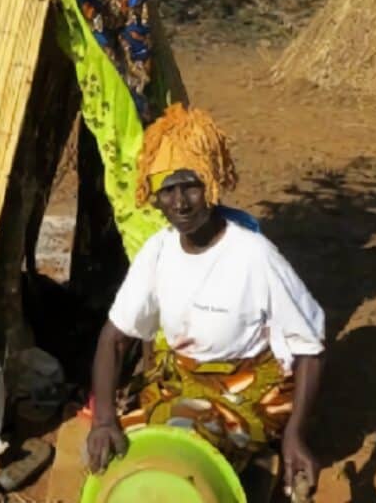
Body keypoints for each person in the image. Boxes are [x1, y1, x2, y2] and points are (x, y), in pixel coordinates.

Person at [87, 104, 325, 499]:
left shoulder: (253, 255)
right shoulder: (158, 251)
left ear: (212, 185)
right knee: (119, 450)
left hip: (245, 387)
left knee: (183, 438)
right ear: (155, 197)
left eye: (191, 186)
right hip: (179, 380)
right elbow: (114, 338)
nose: (181, 203)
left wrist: (296, 435)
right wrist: (103, 419)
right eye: (168, 189)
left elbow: (310, 348)